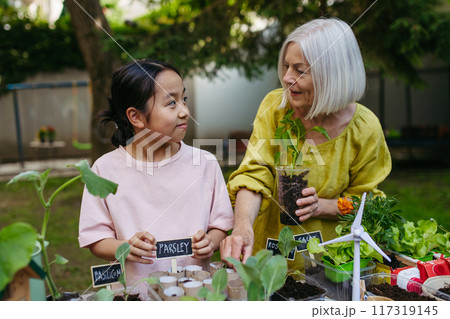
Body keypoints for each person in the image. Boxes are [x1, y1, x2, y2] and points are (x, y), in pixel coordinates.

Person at [221, 18, 391, 271]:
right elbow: (256, 173)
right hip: (270, 253)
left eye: (300, 70)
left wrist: (324, 206)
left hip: (331, 262)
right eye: (286, 66)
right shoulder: (275, 107)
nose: (287, 78)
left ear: (332, 75)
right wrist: (243, 226)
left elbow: (370, 203)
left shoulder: (364, 127)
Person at [79, 59, 234, 294]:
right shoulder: (104, 170)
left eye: (184, 99)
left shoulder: (205, 164)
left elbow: (220, 225)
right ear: (136, 117)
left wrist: (211, 242)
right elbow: (95, 238)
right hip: (135, 296)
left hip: (196, 294)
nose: (185, 111)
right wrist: (124, 247)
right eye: (171, 103)